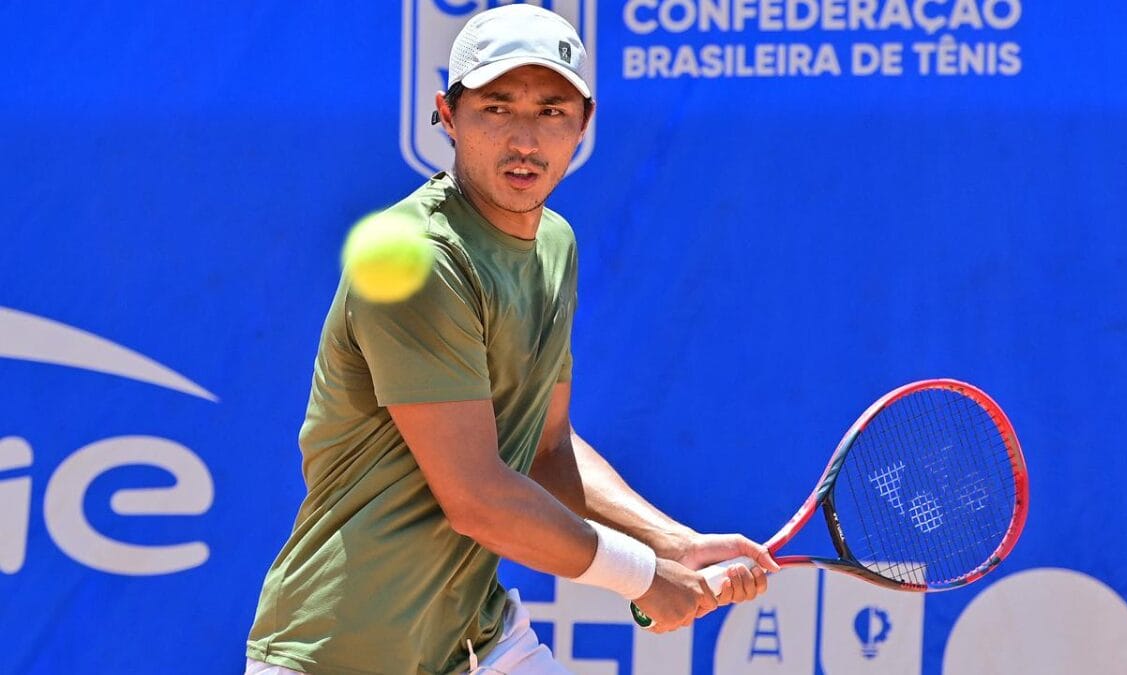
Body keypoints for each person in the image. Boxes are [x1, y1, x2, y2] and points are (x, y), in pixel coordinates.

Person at [244, 5, 776, 674]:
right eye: (497, 107)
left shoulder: (554, 245)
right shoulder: (414, 260)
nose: (525, 139)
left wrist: (673, 543)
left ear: (584, 124)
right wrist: (642, 575)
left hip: (478, 641)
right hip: (342, 651)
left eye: (552, 111)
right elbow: (477, 498)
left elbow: (546, 447)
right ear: (447, 113)